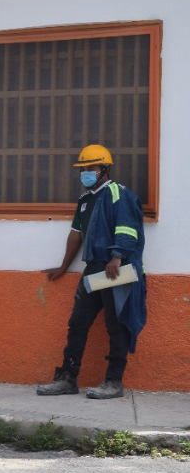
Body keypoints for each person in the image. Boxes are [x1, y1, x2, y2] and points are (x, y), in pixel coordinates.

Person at [36, 144, 146, 400]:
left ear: (105, 169)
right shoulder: (85, 200)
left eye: (91, 168)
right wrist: (63, 267)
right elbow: (76, 235)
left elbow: (128, 227)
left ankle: (114, 381)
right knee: (78, 323)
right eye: (83, 169)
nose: (86, 172)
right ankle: (67, 378)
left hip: (116, 270)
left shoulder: (119, 193)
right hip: (94, 270)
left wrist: (117, 257)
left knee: (116, 325)